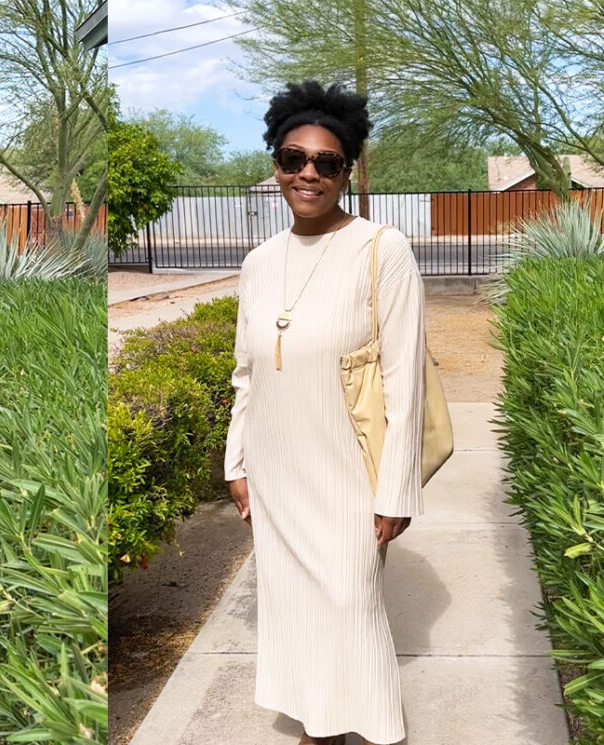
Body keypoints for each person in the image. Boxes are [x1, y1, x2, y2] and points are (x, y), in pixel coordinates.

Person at [224, 81, 424, 745]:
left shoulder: (381, 250)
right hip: (276, 474)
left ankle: (369, 731)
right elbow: (246, 374)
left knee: (349, 607)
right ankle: (317, 731)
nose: (308, 172)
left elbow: (403, 382)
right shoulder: (258, 262)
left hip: (347, 475)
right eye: (293, 157)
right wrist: (237, 463)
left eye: (326, 162)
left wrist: (394, 491)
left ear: (347, 170)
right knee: (296, 613)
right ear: (276, 164)